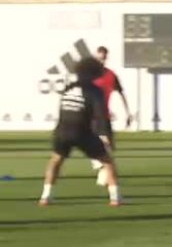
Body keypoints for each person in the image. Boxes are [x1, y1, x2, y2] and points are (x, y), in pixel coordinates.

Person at [39, 57, 122, 206]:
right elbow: (100, 115)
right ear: (94, 73)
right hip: (82, 131)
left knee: (55, 161)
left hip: (62, 130)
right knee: (107, 161)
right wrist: (103, 135)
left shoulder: (68, 88)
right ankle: (115, 198)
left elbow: (63, 111)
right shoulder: (94, 90)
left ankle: (45, 196)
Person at [92, 46, 132, 186]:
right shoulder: (90, 75)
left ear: (106, 58)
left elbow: (121, 93)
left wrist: (128, 113)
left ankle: (100, 167)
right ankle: (102, 169)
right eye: (99, 58)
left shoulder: (111, 75)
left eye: (103, 57)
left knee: (111, 147)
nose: (101, 60)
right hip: (92, 116)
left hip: (105, 116)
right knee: (104, 145)